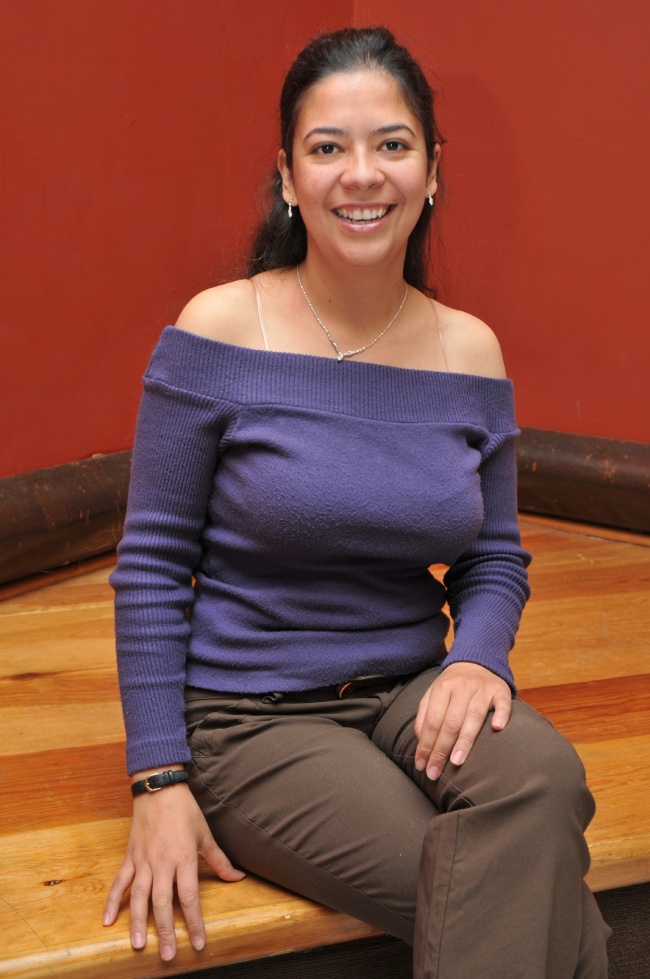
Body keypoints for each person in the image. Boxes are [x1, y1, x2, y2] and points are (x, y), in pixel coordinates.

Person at [102, 26, 610, 977]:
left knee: (545, 776)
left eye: (392, 144)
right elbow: (153, 566)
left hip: (410, 689)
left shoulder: (470, 350)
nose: (362, 173)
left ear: (432, 170)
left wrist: (479, 658)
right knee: (526, 897)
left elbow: (493, 556)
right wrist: (159, 778)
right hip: (252, 716)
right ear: (289, 178)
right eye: (328, 147)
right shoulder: (220, 328)